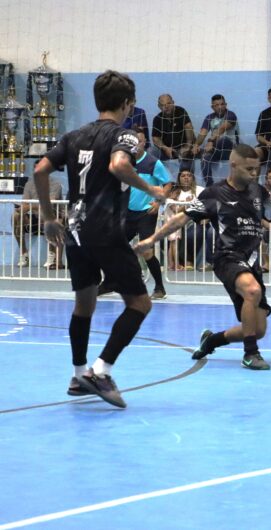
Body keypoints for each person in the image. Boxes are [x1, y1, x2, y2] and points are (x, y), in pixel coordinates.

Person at [135, 144, 271, 370]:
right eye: (249, 169)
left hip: (251, 261)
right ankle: (250, 354)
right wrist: (152, 239)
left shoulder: (258, 192)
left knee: (256, 329)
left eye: (256, 169)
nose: (254, 174)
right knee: (252, 290)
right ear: (234, 165)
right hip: (226, 257)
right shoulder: (213, 193)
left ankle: (212, 340)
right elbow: (182, 219)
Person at [33, 70, 166, 408]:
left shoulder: (73, 135)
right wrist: (150, 188)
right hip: (106, 230)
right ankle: (100, 370)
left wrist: (50, 218)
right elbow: (119, 166)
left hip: (74, 231)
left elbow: (39, 171)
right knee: (140, 303)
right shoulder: (125, 137)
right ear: (128, 103)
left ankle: (78, 375)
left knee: (85, 304)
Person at [97, 126, 172, 299]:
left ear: (144, 142)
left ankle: (160, 288)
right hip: (126, 213)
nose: (135, 145)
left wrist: (159, 202)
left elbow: (167, 183)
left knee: (146, 252)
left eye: (139, 141)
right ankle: (110, 283)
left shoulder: (153, 163)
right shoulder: (123, 161)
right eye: (132, 142)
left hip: (146, 213)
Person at [165, 169, 213, 271]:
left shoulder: (201, 190)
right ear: (179, 178)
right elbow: (174, 210)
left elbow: (210, 207)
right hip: (178, 222)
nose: (186, 177)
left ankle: (189, 260)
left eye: (189, 175)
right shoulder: (175, 192)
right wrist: (187, 206)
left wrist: (207, 218)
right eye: (183, 176)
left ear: (193, 178)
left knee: (194, 233)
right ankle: (173, 264)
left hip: (198, 221)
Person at [13, 175, 63, 268]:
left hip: (52, 216)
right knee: (15, 216)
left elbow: (49, 204)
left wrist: (30, 206)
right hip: (34, 216)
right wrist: (21, 209)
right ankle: (24, 254)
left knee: (45, 214)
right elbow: (25, 203)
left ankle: (51, 255)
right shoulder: (29, 184)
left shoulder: (55, 184)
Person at [191, 94, 239, 186]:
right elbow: (202, 133)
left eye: (222, 104)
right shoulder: (209, 117)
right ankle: (209, 185)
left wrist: (210, 141)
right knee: (204, 158)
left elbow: (221, 129)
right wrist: (196, 145)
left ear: (226, 105)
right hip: (216, 150)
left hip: (230, 150)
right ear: (212, 107)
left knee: (223, 139)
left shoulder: (231, 115)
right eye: (216, 105)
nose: (220, 107)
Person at [151, 93, 195, 177]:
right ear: (159, 106)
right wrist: (165, 148)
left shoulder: (181, 111)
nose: (166, 106)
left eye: (168, 103)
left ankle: (186, 183)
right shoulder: (157, 119)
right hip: (167, 151)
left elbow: (189, 127)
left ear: (173, 102)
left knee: (187, 158)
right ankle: (156, 178)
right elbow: (155, 138)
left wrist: (188, 146)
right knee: (151, 151)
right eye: (163, 105)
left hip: (183, 149)